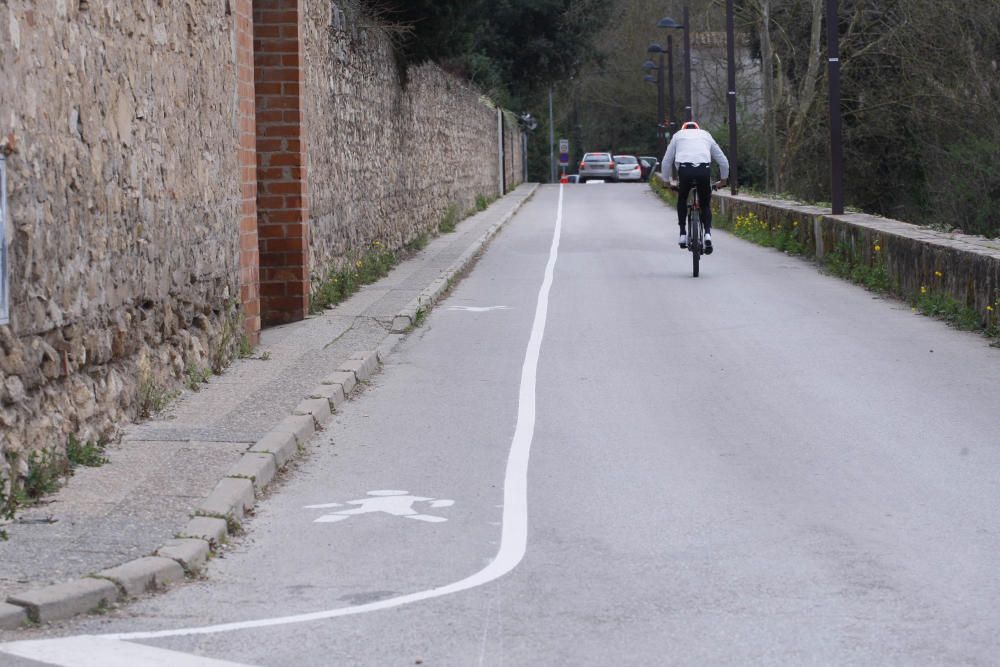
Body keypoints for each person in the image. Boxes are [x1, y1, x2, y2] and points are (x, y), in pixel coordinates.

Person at [661, 121, 729, 254]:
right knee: (705, 204)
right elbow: (723, 160)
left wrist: (666, 182)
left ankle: (682, 234)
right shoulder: (706, 135)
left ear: (683, 129)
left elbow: (666, 161)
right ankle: (708, 234)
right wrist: (723, 180)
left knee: (682, 198)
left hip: (685, 171)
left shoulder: (677, 135)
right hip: (703, 170)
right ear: (698, 129)